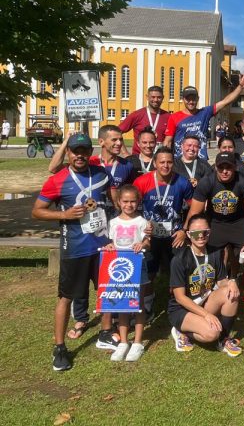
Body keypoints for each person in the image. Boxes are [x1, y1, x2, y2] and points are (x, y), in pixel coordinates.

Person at [32, 133, 116, 371]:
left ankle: (106, 332)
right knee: (66, 297)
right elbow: (37, 211)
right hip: (75, 248)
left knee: (106, 290)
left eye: (84, 151)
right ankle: (59, 347)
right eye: (75, 151)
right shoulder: (57, 180)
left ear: (91, 152)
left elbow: (113, 202)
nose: (80, 155)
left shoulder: (101, 174)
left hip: (102, 246)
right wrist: (63, 215)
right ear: (67, 153)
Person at [166, 214, 242, 357]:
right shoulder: (179, 259)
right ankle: (180, 330)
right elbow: (180, 298)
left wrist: (232, 282)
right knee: (211, 334)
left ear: (210, 232)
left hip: (204, 300)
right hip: (181, 309)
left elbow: (221, 282)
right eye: (195, 232)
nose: (200, 236)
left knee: (231, 292)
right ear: (188, 234)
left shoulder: (214, 253)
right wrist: (207, 315)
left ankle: (223, 338)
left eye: (205, 232)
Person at [133, 146, 194, 319]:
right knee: (149, 272)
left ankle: (176, 305)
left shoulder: (182, 182)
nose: (165, 166)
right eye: (162, 162)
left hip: (175, 235)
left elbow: (194, 208)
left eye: (169, 162)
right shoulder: (142, 181)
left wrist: (184, 230)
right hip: (150, 236)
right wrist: (141, 226)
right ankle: (147, 306)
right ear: (154, 163)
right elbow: (132, 207)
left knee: (178, 270)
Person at [187, 152, 244, 276]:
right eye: (221, 167)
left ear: (235, 167)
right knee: (211, 261)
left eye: (228, 167)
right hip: (215, 224)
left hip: (238, 223)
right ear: (216, 167)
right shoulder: (207, 182)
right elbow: (195, 212)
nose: (225, 171)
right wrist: (185, 231)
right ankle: (215, 290)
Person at [104, 184, 152, 362]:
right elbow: (111, 243)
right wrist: (110, 246)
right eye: (125, 201)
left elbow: (148, 242)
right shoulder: (113, 223)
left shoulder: (142, 222)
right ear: (118, 202)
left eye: (133, 201)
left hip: (138, 268)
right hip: (119, 270)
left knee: (137, 304)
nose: (129, 205)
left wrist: (143, 244)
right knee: (122, 304)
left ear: (138, 202)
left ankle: (138, 341)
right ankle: (123, 341)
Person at [164, 74, 244, 160]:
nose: (191, 101)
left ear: (198, 99)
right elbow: (168, 141)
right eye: (188, 99)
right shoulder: (174, 117)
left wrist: (240, 87)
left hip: (200, 161)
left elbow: (225, 102)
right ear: (183, 99)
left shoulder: (204, 113)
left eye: (193, 98)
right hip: (180, 161)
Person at [119, 86, 169, 155]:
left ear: (163, 98)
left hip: (159, 159)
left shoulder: (168, 116)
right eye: (153, 97)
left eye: (159, 97)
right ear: (147, 97)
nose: (156, 100)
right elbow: (117, 132)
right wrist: (125, 153)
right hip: (139, 158)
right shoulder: (137, 115)